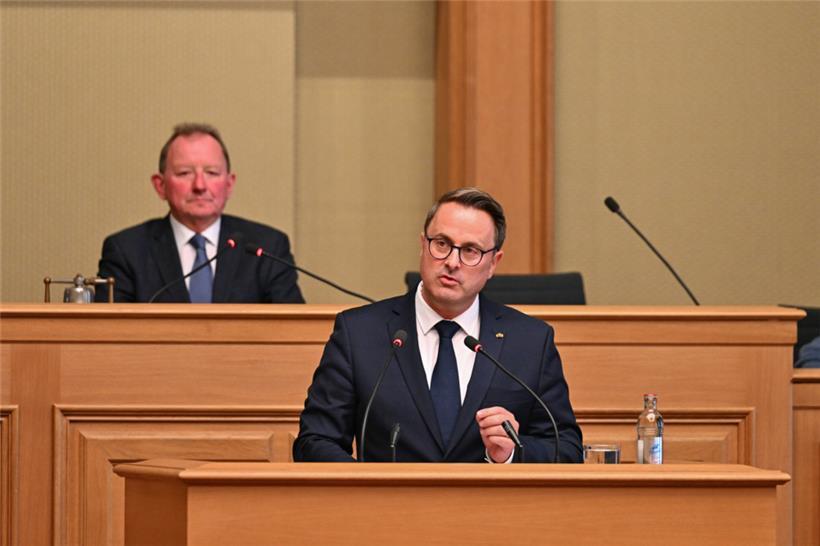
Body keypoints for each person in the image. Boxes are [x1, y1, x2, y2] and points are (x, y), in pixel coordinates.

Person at [294, 188, 582, 463]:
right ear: (423, 245)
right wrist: (369, 488)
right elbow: (315, 441)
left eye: (470, 250)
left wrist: (511, 452)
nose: (452, 262)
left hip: (491, 511)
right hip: (387, 510)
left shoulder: (530, 341)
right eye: (442, 244)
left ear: (494, 263)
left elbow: (567, 449)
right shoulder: (358, 333)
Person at [95, 123, 303, 303]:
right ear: (160, 186)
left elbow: (294, 332)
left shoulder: (267, 247)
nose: (200, 185)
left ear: (229, 184)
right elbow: (106, 334)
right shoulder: (127, 250)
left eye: (212, 173)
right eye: (184, 173)